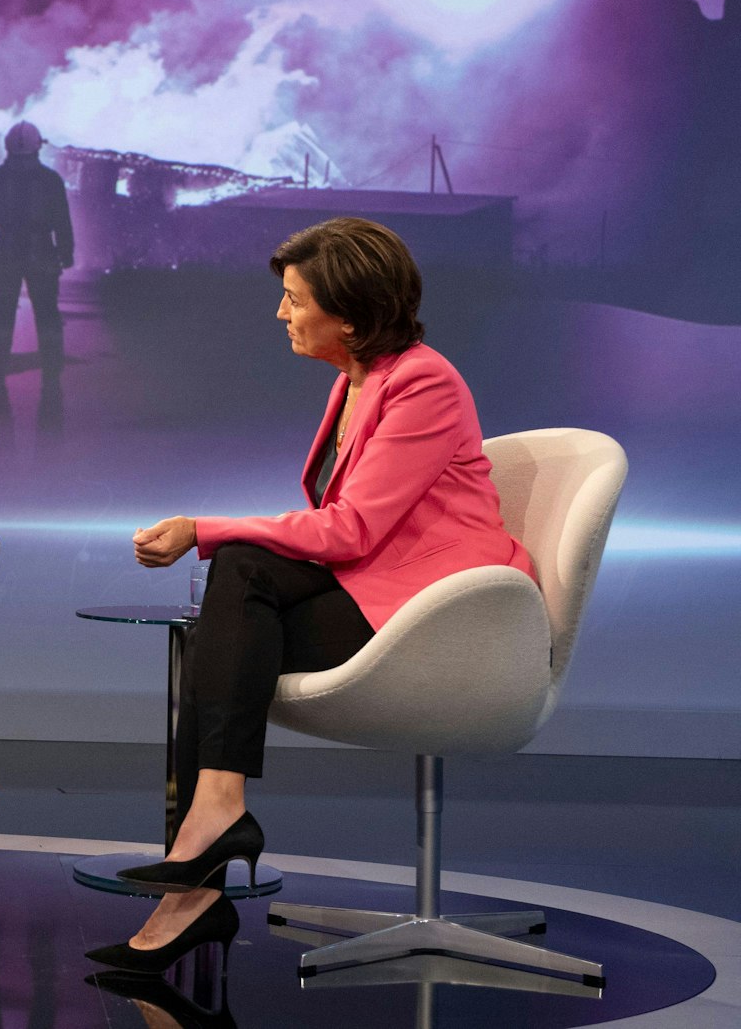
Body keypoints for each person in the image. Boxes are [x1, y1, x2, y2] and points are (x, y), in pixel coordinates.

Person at [86, 217, 534, 972]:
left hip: (441, 613)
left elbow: (352, 529)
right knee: (228, 602)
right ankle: (198, 873)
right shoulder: (355, 380)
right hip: (379, 586)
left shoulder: (424, 381)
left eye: (294, 298)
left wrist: (203, 527)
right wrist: (217, 537)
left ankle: (204, 848)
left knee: (237, 567)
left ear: (351, 316)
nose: (281, 313)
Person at [0, 121, 74, 384]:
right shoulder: (50, 180)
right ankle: (52, 370)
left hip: (4, 254)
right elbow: (62, 221)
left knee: (2, 313)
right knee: (47, 314)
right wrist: (66, 253)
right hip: (41, 252)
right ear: (37, 147)